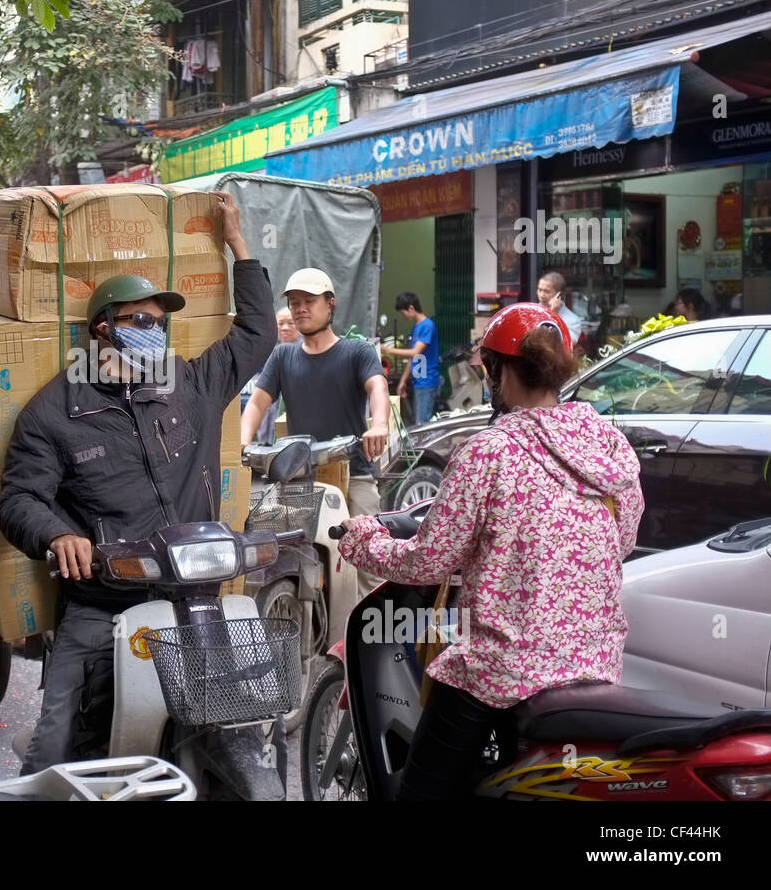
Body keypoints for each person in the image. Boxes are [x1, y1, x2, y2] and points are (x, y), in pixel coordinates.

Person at [0, 192, 274, 774]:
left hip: (192, 598)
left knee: (236, 717)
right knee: (55, 742)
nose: (155, 332)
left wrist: (236, 242)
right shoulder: (54, 411)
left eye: (161, 323)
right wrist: (56, 536)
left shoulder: (189, 384)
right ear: (103, 329)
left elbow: (257, 333)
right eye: (141, 322)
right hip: (102, 600)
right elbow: (17, 497)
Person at [337, 302, 644, 800]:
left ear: (498, 372)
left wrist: (363, 540)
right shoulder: (609, 446)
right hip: (596, 661)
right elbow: (623, 539)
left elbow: (429, 561)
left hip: (504, 668)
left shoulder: (488, 453)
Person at [240, 267, 391, 594]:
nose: (300, 309)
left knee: (370, 563)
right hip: (301, 479)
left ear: (330, 304)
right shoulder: (283, 355)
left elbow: (377, 387)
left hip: (354, 473)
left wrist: (379, 425)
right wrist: (242, 440)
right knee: (288, 556)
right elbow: (258, 402)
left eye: (309, 301)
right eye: (294, 302)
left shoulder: (357, 352)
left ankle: (370, 624)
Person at [381, 292, 440, 426]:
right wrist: (403, 381)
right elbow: (413, 357)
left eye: (403, 313)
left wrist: (388, 350)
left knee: (422, 424)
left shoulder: (427, 326)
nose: (404, 317)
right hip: (419, 382)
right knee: (419, 422)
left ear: (411, 308)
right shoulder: (417, 327)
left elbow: (415, 352)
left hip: (427, 381)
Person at [241, 307, 297, 444]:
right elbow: (257, 404)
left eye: (290, 323)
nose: (285, 328)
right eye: (280, 323)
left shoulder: (304, 354)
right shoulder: (270, 354)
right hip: (266, 439)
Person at [536, 271, 582, 346]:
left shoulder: (573, 320)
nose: (542, 295)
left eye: (547, 292)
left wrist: (553, 316)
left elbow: (566, 343)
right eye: (539, 290)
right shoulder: (532, 312)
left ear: (559, 295)